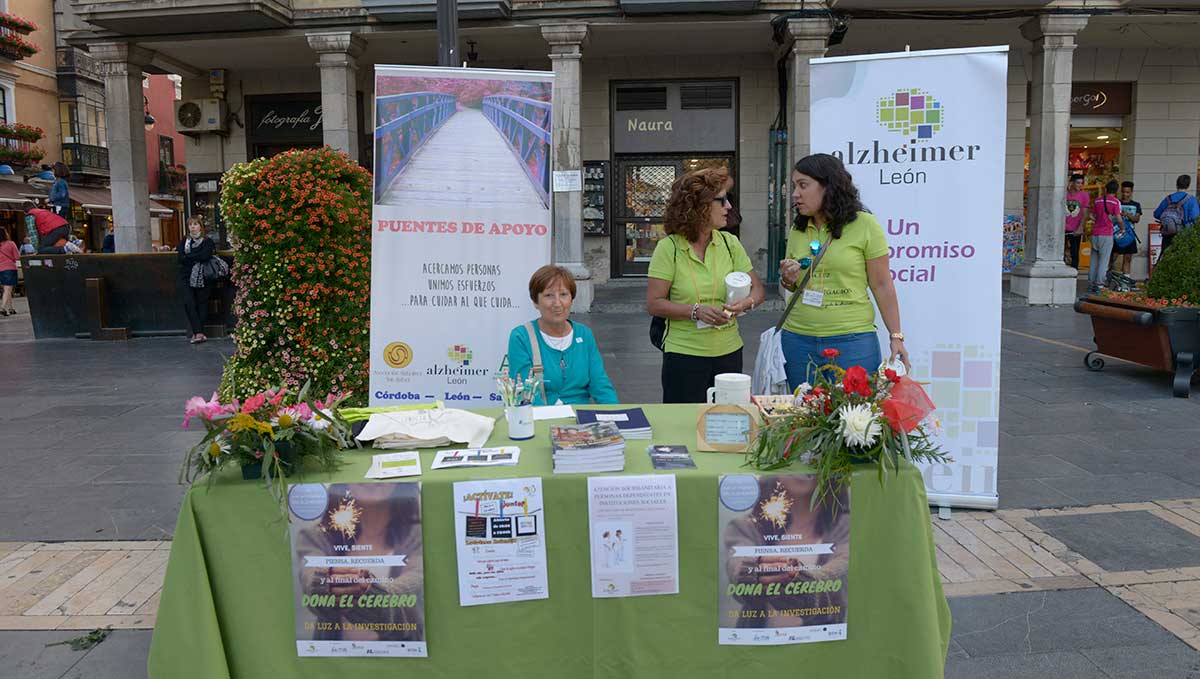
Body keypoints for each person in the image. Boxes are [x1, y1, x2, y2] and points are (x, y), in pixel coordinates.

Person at [777, 154, 908, 390]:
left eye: (803, 185)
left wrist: (895, 336)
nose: (795, 193)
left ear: (828, 186)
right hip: (797, 340)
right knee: (804, 419)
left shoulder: (864, 225)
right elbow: (795, 285)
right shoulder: (798, 229)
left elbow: (881, 284)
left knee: (854, 419)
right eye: (794, 186)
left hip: (853, 341)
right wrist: (788, 279)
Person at [646, 167, 766, 403]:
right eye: (722, 200)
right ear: (698, 205)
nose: (729, 207)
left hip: (729, 352)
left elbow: (758, 290)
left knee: (728, 426)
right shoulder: (669, 248)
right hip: (683, 354)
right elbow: (654, 304)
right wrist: (695, 311)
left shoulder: (730, 243)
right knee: (684, 426)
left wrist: (746, 303)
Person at [507, 264, 618, 405]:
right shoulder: (521, 337)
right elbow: (525, 393)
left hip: (581, 419)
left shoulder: (584, 334)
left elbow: (601, 386)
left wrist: (615, 416)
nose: (557, 303)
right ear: (535, 302)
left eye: (564, 295)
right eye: (549, 295)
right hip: (541, 419)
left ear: (571, 299)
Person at [178, 216, 214, 344]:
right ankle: (198, 332)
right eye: (190, 225)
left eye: (195, 224)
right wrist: (194, 257)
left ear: (200, 226)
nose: (192, 227)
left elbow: (205, 256)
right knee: (189, 303)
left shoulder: (207, 241)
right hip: (186, 276)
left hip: (203, 277)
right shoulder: (185, 241)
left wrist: (189, 257)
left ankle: (198, 333)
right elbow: (180, 257)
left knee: (202, 303)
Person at [1153, 174, 1200, 254]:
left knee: (1166, 258)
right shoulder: (1191, 200)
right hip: (1184, 235)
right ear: (1188, 185)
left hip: (1168, 234)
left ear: (1176, 184)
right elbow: (1196, 219)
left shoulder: (1168, 199)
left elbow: (1157, 214)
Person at [1088, 180, 1120, 293]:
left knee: (1094, 260)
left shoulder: (1098, 200)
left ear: (1106, 189)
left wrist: (1098, 220)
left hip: (1095, 233)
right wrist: (1123, 228)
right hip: (1106, 234)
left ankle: (1091, 283)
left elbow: (1091, 215)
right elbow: (1118, 218)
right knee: (1104, 261)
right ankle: (1099, 284)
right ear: (1116, 191)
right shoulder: (1116, 202)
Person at [1113, 181, 1141, 275]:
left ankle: (1126, 280)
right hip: (1117, 234)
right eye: (1123, 192)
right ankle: (1105, 277)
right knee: (1113, 257)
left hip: (1129, 235)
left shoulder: (1136, 205)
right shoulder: (1116, 203)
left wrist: (1127, 215)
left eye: (1128, 192)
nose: (1125, 194)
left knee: (1128, 258)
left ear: (1131, 192)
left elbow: (1137, 219)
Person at [1064, 174, 1090, 270]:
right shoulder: (1065, 194)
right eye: (1078, 183)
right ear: (1072, 183)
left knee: (1075, 252)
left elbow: (1085, 213)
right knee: (1061, 253)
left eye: (1081, 183)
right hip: (1063, 227)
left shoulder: (1084, 195)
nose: (1080, 185)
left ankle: (1074, 274)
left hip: (1075, 228)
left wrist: (1081, 227)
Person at [0, 229, 17, 317]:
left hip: (0, 270)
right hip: (10, 268)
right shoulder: (11, 243)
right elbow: (17, 256)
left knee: (7, 289)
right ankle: (2, 308)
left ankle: (11, 308)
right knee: (7, 289)